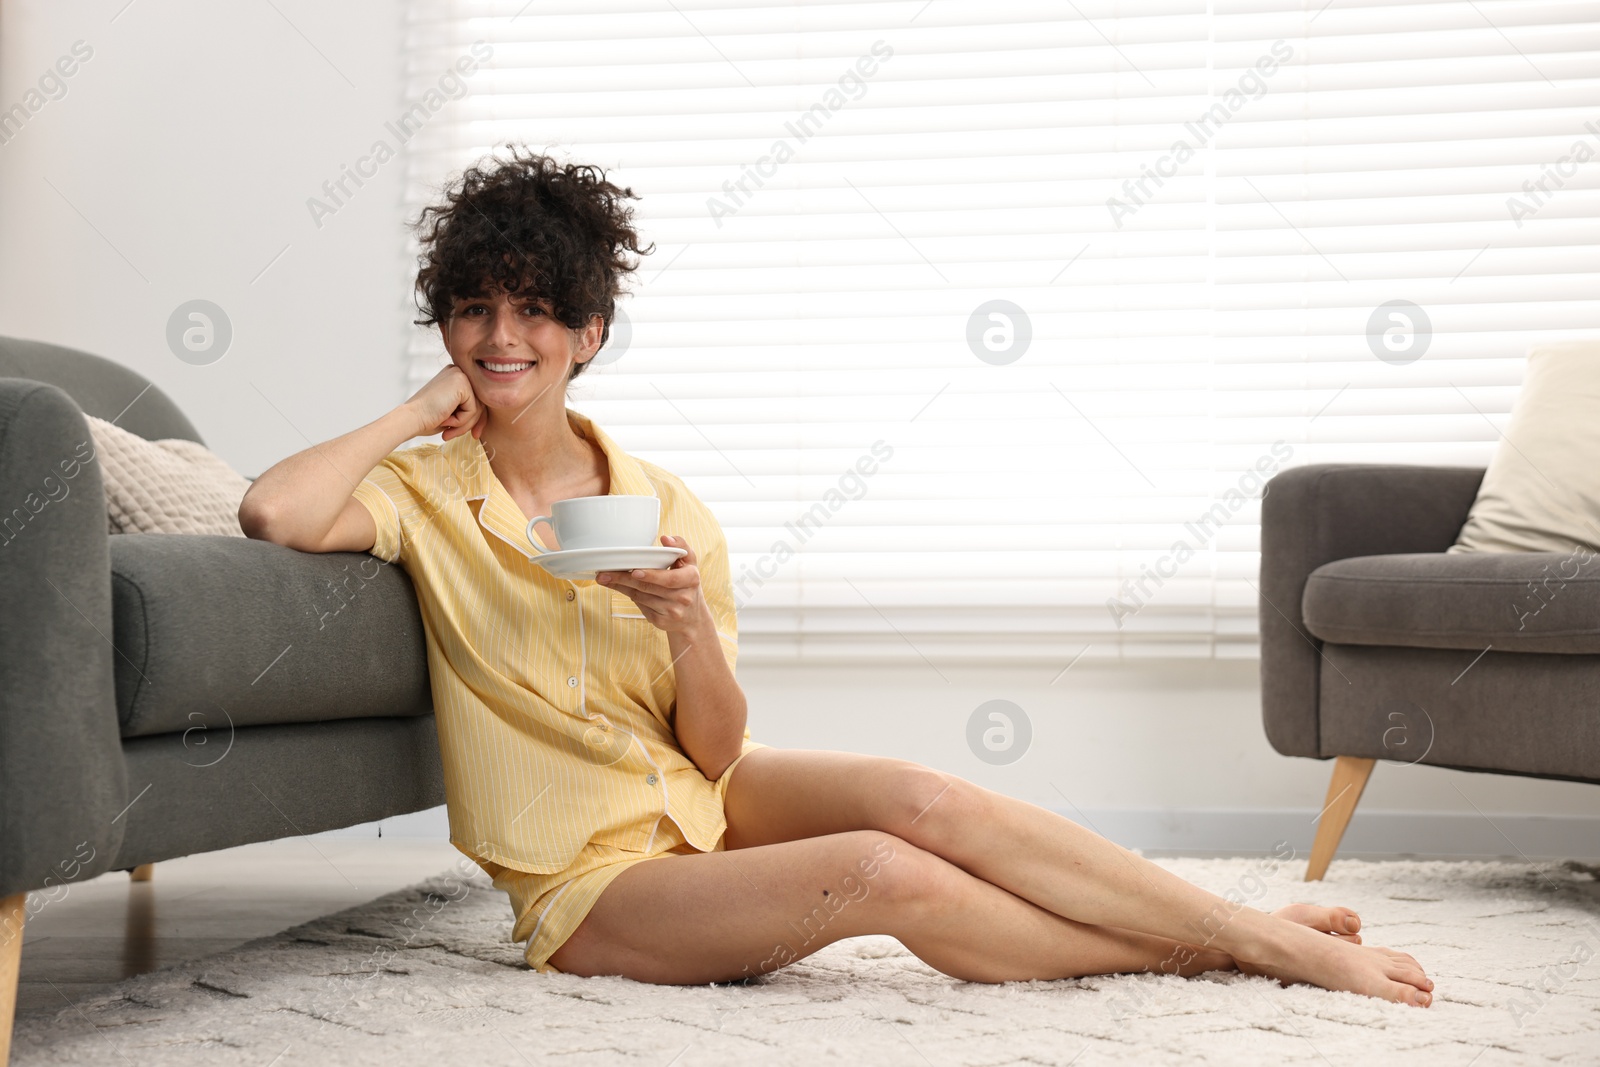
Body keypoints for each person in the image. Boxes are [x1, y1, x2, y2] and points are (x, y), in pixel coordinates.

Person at [239, 144, 1433, 1006]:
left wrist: (685, 622)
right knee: (880, 870)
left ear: (587, 333)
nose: (504, 336)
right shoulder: (421, 496)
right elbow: (269, 509)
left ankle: (1220, 920)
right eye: (473, 310)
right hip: (587, 882)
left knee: (926, 799)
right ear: (447, 328)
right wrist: (419, 410)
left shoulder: (658, 504)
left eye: (536, 310)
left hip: (693, 799)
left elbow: (711, 750)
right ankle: (1235, 946)